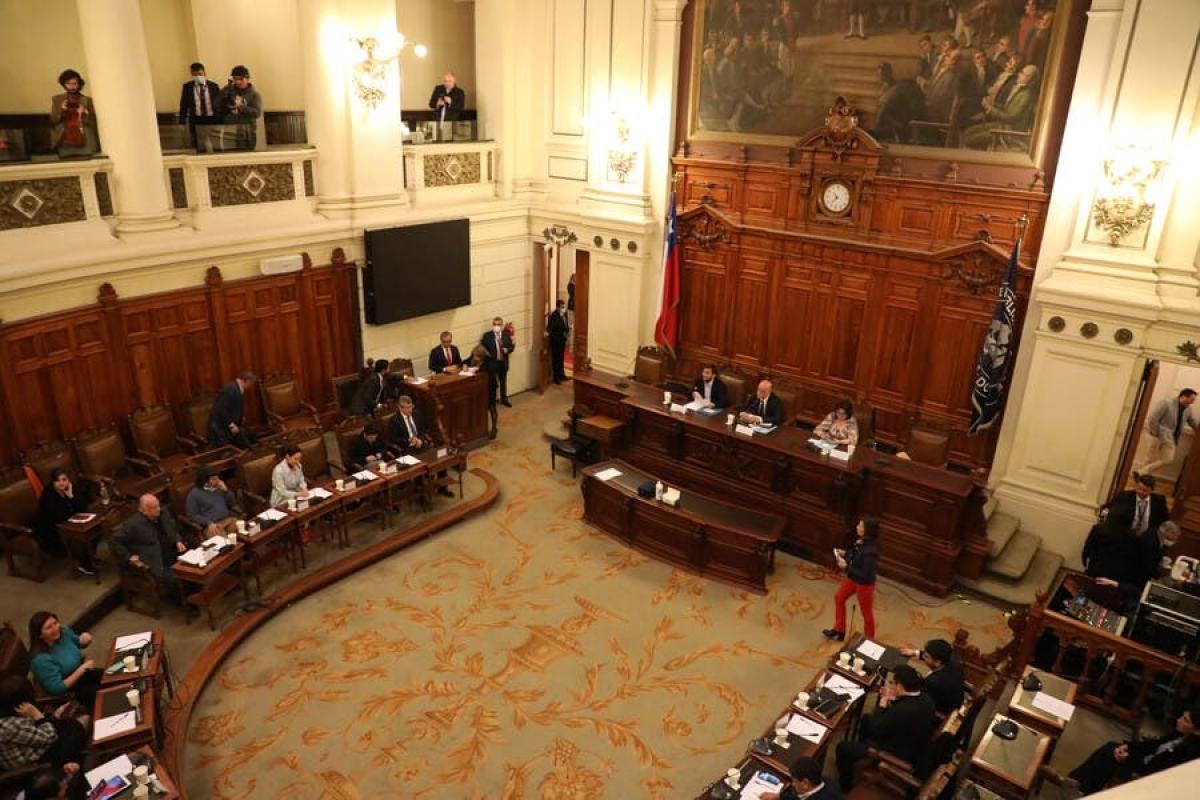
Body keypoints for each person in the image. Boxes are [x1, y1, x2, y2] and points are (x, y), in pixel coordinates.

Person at [1067, 699, 1200, 795]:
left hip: (1147, 777)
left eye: (1185, 720)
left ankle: (1078, 788)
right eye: (1182, 716)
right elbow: (1152, 745)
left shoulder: (1188, 754)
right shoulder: (1179, 734)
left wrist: (1127, 757)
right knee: (1111, 747)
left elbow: (1155, 770)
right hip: (1143, 762)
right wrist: (1127, 747)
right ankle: (1075, 784)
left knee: (1108, 756)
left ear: (1197, 731)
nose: (1178, 720)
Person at [835, 665, 937, 789]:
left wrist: (883, 702)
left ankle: (845, 785)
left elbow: (876, 728)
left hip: (896, 751)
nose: (890, 685)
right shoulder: (927, 699)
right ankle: (861, 751)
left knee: (843, 747)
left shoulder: (901, 710)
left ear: (900, 686)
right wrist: (895, 699)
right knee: (866, 718)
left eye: (892, 683)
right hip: (914, 739)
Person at [0, 675, 88, 781]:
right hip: (35, 765)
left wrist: (53, 717)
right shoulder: (11, 726)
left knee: (68, 722)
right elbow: (49, 737)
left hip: (35, 746)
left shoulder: (9, 715)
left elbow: (33, 728)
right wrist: (38, 716)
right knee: (76, 726)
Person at [109, 495, 186, 597]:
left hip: (173, 552)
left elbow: (172, 528)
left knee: (193, 569)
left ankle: (194, 596)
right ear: (144, 511)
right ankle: (183, 601)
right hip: (156, 561)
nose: (158, 509)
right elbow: (114, 540)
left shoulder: (163, 513)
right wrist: (129, 556)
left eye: (158, 505)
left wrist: (177, 540)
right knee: (175, 579)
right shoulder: (133, 524)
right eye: (154, 508)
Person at [25, 613, 99, 708]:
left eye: (55, 623)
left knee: (110, 677)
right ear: (40, 635)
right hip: (71, 691)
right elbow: (57, 688)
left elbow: (77, 642)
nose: (55, 628)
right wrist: (81, 670)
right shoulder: (41, 659)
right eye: (49, 627)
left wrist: (84, 641)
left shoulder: (63, 632)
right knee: (102, 695)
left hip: (83, 675)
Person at [824, 517, 880, 641]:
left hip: (864, 585)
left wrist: (846, 567)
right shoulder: (862, 541)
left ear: (867, 530)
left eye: (860, 526)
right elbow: (855, 555)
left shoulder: (871, 552)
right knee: (839, 597)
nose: (857, 527)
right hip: (854, 578)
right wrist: (845, 553)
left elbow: (864, 575)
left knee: (866, 613)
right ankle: (839, 630)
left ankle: (869, 640)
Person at [962, 64, 1039, 149]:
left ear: (1029, 78)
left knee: (969, 139)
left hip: (1008, 133)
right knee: (967, 132)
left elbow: (1012, 118)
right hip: (1002, 126)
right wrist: (992, 104)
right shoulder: (1019, 89)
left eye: (1022, 73)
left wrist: (990, 109)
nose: (1019, 74)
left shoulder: (1026, 95)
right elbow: (1006, 109)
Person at [33, 468, 94, 576]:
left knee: (95, 529)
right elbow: (58, 518)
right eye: (57, 480)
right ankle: (84, 564)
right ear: (53, 482)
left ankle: (89, 557)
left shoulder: (71, 487)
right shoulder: (48, 495)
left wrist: (71, 497)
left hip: (69, 522)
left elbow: (83, 508)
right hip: (52, 530)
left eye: (64, 480)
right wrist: (73, 514)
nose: (61, 483)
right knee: (77, 538)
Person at [1139, 388, 1197, 477]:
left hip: (1170, 439)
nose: (1192, 402)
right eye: (1191, 399)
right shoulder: (1166, 403)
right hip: (1156, 436)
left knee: (1168, 459)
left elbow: (1192, 421)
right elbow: (1152, 419)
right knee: (1149, 459)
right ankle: (1141, 479)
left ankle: (1141, 472)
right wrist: (1156, 433)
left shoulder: (1188, 409)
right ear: (1183, 396)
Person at [898, 639, 965, 715]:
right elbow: (933, 656)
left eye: (926, 656)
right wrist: (915, 652)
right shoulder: (953, 661)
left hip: (939, 713)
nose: (923, 656)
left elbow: (920, 702)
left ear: (937, 662)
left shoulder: (933, 683)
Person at [1105, 473, 1169, 538]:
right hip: (1125, 535)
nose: (1141, 492)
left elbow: (1164, 520)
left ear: (1152, 490)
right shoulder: (1125, 496)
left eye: (1145, 490)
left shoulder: (1159, 501)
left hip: (1146, 538)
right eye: (1139, 488)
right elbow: (1109, 507)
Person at [50, 69, 97, 157]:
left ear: (79, 84)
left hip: (85, 140)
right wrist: (61, 109)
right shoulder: (57, 99)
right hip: (65, 140)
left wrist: (85, 113)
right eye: (68, 83)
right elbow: (53, 120)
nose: (72, 86)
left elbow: (93, 123)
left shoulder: (87, 100)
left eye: (74, 83)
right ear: (63, 84)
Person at [177, 62, 222, 149]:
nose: (198, 77)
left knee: (214, 144)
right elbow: (183, 106)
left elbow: (219, 104)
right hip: (196, 119)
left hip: (212, 119)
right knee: (198, 145)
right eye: (195, 75)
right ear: (191, 74)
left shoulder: (214, 86)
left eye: (200, 74)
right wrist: (181, 122)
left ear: (205, 73)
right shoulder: (187, 87)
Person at [185, 466, 238, 537]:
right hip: (212, 525)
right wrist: (208, 522)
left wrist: (226, 491)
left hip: (228, 519)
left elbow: (233, 503)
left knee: (245, 532)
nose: (218, 481)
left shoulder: (219, 487)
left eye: (218, 478)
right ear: (205, 481)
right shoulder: (194, 494)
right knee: (224, 542)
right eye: (214, 479)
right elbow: (192, 515)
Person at [208, 371, 257, 448]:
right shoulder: (230, 389)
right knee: (246, 444)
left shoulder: (236, 387)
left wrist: (241, 417)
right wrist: (231, 425)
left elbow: (233, 407)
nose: (251, 386)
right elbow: (221, 409)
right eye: (251, 383)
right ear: (247, 381)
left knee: (252, 435)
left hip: (231, 425)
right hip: (222, 428)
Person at [761, 755, 841, 800]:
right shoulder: (828, 781)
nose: (793, 784)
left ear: (805, 783)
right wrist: (778, 796)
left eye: (794, 781)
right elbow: (800, 796)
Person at [220, 65, 262, 149]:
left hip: (247, 133)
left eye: (241, 79)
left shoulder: (254, 94)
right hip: (230, 131)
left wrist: (241, 106)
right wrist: (225, 94)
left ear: (247, 78)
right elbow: (217, 105)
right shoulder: (228, 90)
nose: (238, 82)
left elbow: (257, 113)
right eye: (235, 79)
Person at [481, 317, 515, 407]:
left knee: (503, 382)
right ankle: (491, 402)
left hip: (503, 363)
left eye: (498, 324)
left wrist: (507, 350)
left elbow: (512, 347)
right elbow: (483, 349)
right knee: (492, 384)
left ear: (502, 325)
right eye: (494, 324)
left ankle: (504, 399)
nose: (496, 326)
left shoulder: (506, 335)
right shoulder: (487, 336)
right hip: (492, 364)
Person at [468, 345, 499, 440]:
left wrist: (477, 369)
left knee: (492, 407)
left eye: (477, 356)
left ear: (482, 356)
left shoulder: (490, 360)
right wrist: (464, 365)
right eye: (474, 356)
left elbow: (489, 369)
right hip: (479, 388)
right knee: (480, 408)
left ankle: (494, 428)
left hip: (490, 387)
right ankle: (480, 429)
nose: (474, 358)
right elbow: (466, 361)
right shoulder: (473, 357)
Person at [547, 300, 569, 384]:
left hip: (562, 340)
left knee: (561, 358)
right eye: (562, 307)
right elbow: (551, 327)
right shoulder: (554, 316)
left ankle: (562, 375)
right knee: (556, 360)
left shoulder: (564, 314)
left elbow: (565, 325)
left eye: (564, 307)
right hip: (556, 341)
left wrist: (567, 331)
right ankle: (556, 378)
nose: (563, 308)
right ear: (557, 307)